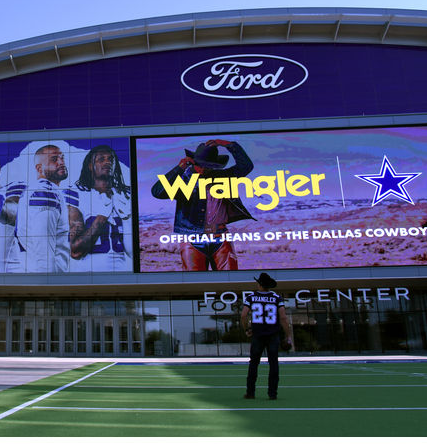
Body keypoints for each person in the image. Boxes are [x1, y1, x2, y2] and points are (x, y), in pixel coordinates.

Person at [150, 139, 255, 270]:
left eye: (208, 165)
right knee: (195, 282)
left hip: (220, 235)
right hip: (191, 238)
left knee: (230, 279)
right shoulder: (184, 179)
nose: (203, 168)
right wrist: (179, 168)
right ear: (193, 162)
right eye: (201, 164)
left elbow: (246, 167)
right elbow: (157, 192)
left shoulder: (222, 176)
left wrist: (229, 145)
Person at [3, 144, 73, 272]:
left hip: (34, 272)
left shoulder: (37, 189)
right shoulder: (45, 190)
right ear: (39, 168)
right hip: (45, 276)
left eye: (62, 158)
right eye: (54, 159)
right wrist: (48, 285)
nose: (61, 162)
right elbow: (44, 248)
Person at [67, 145, 133, 272]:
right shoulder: (76, 195)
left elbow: (133, 253)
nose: (108, 162)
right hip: (87, 275)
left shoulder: (126, 194)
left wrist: (127, 219)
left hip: (122, 273)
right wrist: (102, 217)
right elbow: (75, 252)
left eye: (111, 159)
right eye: (101, 159)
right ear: (90, 166)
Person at [241, 272, 292, 400]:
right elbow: (283, 317)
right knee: (273, 363)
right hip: (273, 334)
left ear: (259, 284)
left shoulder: (251, 297)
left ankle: (250, 392)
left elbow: (243, 315)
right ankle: (272, 393)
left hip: (258, 334)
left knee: (254, 363)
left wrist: (246, 329)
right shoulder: (276, 298)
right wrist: (288, 335)